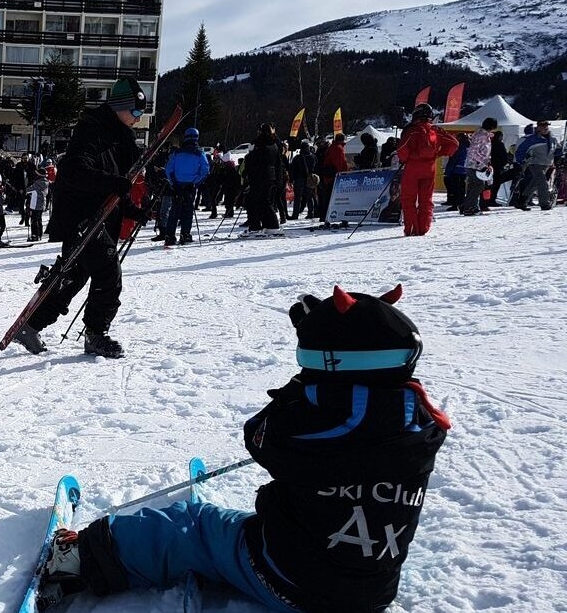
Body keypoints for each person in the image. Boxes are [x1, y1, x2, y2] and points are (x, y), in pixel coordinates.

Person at [40, 285, 450, 613]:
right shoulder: (422, 421)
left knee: (194, 525)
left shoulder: (313, 422)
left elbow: (259, 435)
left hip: (292, 579)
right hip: (372, 590)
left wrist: (301, 386)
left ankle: (80, 556)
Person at [12, 77, 145, 359]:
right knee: (108, 273)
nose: (138, 118)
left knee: (73, 276)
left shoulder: (121, 136)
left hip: (98, 218)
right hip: (82, 218)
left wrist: (131, 209)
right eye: (135, 111)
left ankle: (33, 325)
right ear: (120, 107)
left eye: (140, 113)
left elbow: (115, 186)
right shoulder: (93, 128)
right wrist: (112, 183)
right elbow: (73, 170)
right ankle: (96, 334)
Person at [397, 103, 459, 236]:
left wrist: (406, 159)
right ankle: (423, 228)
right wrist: (439, 153)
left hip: (412, 167)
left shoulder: (412, 130)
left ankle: (412, 229)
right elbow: (454, 143)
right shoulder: (436, 130)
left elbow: (402, 149)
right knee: (426, 200)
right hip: (430, 167)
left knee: (409, 199)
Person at [161, 128, 210, 245]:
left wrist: (174, 182)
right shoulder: (199, 153)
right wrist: (196, 182)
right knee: (187, 211)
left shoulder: (177, 153)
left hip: (177, 185)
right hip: (190, 186)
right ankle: (185, 234)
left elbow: (168, 169)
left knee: (174, 211)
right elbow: (205, 171)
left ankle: (170, 236)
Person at [241, 124, 283, 237]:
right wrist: (278, 179)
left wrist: (247, 171)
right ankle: (271, 225)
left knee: (252, 201)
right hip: (271, 177)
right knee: (265, 201)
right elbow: (279, 163)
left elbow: (253, 161)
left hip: (259, 176)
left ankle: (255, 227)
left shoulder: (259, 143)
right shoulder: (274, 144)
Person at [512, 120, 559, 211]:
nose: (544, 128)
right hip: (535, 163)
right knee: (542, 183)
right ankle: (544, 204)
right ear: (538, 128)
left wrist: (558, 156)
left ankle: (521, 202)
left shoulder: (552, 139)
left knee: (533, 184)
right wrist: (520, 161)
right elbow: (521, 149)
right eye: (542, 126)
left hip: (546, 164)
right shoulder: (533, 139)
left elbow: (555, 150)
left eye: (546, 126)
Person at [460, 118, 497, 216]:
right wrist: (484, 162)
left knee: (473, 185)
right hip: (475, 165)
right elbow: (473, 151)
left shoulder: (483, 135)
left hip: (475, 164)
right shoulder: (482, 136)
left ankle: (469, 206)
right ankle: (469, 207)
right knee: (479, 184)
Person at [442, 133, 470, 211]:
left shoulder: (458, 147)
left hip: (456, 170)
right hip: (464, 170)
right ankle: (462, 203)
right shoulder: (468, 146)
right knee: (462, 188)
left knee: (455, 188)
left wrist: (448, 171)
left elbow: (453, 159)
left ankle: (455, 204)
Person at [289, 141, 317, 220]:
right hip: (309, 179)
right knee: (310, 197)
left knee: (298, 198)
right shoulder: (313, 157)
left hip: (299, 180)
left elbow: (292, 170)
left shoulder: (297, 158)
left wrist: (291, 179)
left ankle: (295, 215)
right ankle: (311, 213)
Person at [26, 167, 50, 241]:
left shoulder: (37, 184)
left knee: (34, 220)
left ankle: (35, 235)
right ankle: (39, 234)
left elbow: (27, 190)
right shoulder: (46, 182)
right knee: (39, 220)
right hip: (42, 204)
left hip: (35, 204)